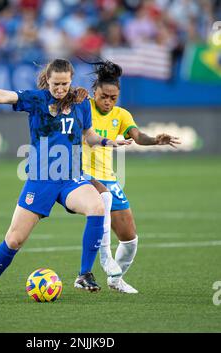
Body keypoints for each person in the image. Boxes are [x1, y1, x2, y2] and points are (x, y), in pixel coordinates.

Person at [0, 58, 131, 298]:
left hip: (70, 178)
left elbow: (89, 135)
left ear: (71, 80)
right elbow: (5, 96)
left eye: (64, 84)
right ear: (48, 80)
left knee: (97, 205)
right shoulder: (38, 99)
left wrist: (108, 142)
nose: (60, 89)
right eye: (56, 84)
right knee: (14, 239)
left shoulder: (82, 102)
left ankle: (84, 274)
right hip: (41, 179)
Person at [81, 60, 180, 293]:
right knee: (102, 202)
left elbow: (137, 136)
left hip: (108, 177)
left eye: (113, 98)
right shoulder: (82, 108)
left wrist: (155, 140)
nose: (108, 102)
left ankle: (116, 280)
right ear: (95, 91)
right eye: (104, 96)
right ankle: (103, 260)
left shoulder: (121, 114)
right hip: (83, 176)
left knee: (130, 238)